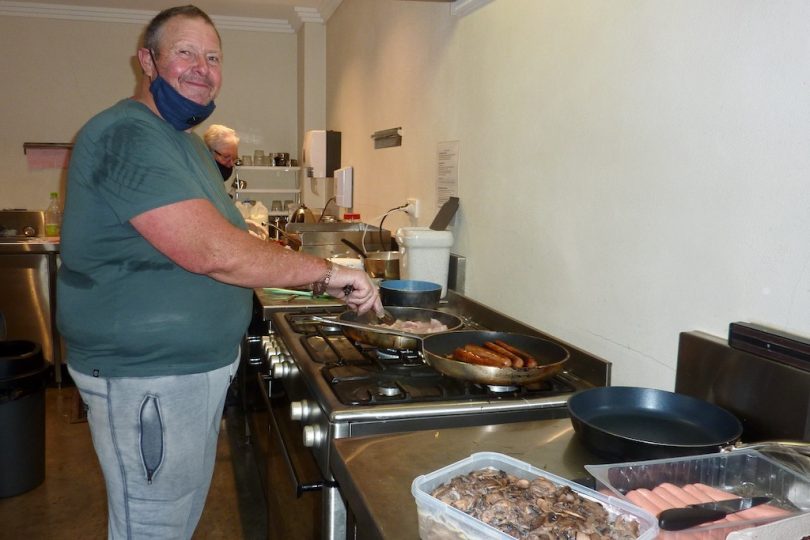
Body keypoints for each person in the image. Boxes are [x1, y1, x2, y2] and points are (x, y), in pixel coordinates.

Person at [56, 5, 381, 539]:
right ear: (147, 61)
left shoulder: (183, 144)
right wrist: (326, 273)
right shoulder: (126, 134)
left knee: (174, 517)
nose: (201, 67)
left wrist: (279, 260)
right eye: (185, 52)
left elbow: (229, 236)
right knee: (153, 525)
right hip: (148, 380)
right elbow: (212, 250)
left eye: (213, 57)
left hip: (184, 373)